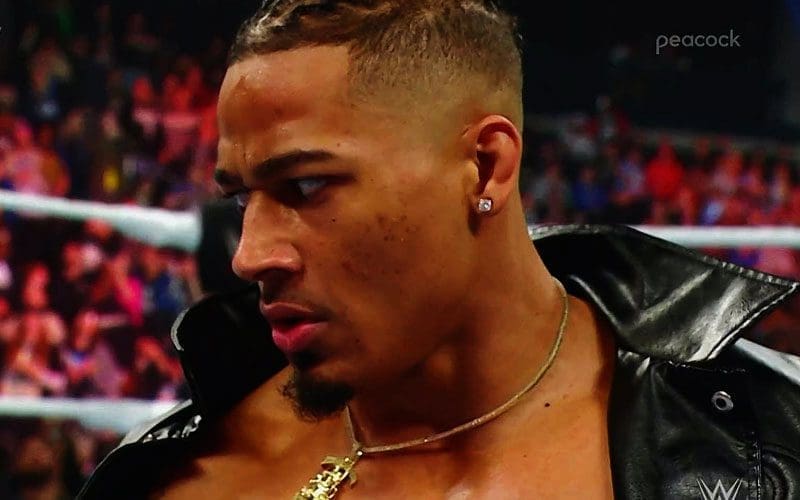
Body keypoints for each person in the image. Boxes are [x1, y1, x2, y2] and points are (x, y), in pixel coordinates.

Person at [79, 1, 800, 498]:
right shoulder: (187, 475)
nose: (249, 256)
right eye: (242, 198)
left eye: (307, 186)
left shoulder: (766, 440)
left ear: (484, 169)